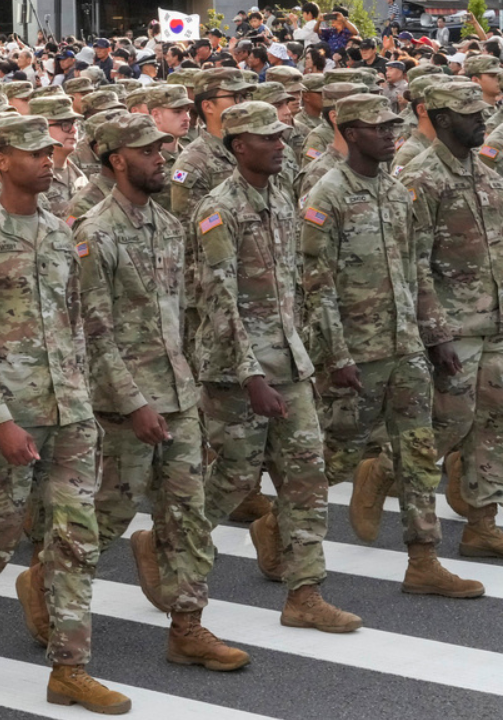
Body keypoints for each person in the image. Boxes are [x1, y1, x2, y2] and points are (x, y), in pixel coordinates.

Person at [0, 115, 130, 714]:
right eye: (32, 152)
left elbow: (76, 322)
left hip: (68, 411)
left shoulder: (59, 229)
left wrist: (86, 401)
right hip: (8, 417)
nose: (48, 159)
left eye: (50, 150)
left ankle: (70, 668)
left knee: (76, 541)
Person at [75, 112, 252, 669]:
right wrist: (134, 403)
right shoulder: (94, 235)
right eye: (149, 151)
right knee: (102, 520)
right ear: (117, 160)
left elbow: (184, 316)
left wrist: (190, 385)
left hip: (177, 396)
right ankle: (46, 589)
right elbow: (93, 334)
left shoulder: (170, 228)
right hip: (123, 407)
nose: (162, 158)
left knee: (187, 518)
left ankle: (188, 628)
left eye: (165, 148)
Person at [300, 93, 485, 598]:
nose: (390, 135)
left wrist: (436, 334)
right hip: (356, 354)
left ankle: (423, 560)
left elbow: (416, 270)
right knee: (336, 459)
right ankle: (278, 530)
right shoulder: (327, 196)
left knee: (419, 451)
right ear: (351, 132)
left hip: (405, 347)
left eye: (393, 128)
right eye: (378, 128)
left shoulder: (397, 192)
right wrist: (335, 356)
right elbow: (316, 286)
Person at [191, 100, 363, 631]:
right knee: (235, 478)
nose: (280, 146)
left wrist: (322, 355)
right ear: (239, 145)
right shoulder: (217, 210)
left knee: (308, 477)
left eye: (282, 137)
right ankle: (173, 544)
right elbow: (219, 300)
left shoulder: (283, 199)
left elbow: (296, 286)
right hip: (237, 372)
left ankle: (304, 595)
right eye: (268, 139)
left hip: (291, 362)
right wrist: (251, 376)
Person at [389, 83, 503, 557]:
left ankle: (482, 522)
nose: (481, 119)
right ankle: (383, 475)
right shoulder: (419, 179)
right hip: (452, 326)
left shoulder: (488, 175)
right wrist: (434, 333)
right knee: (449, 423)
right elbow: (412, 263)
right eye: (468, 113)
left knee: (494, 423)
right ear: (439, 119)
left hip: (493, 322)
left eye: (482, 111)